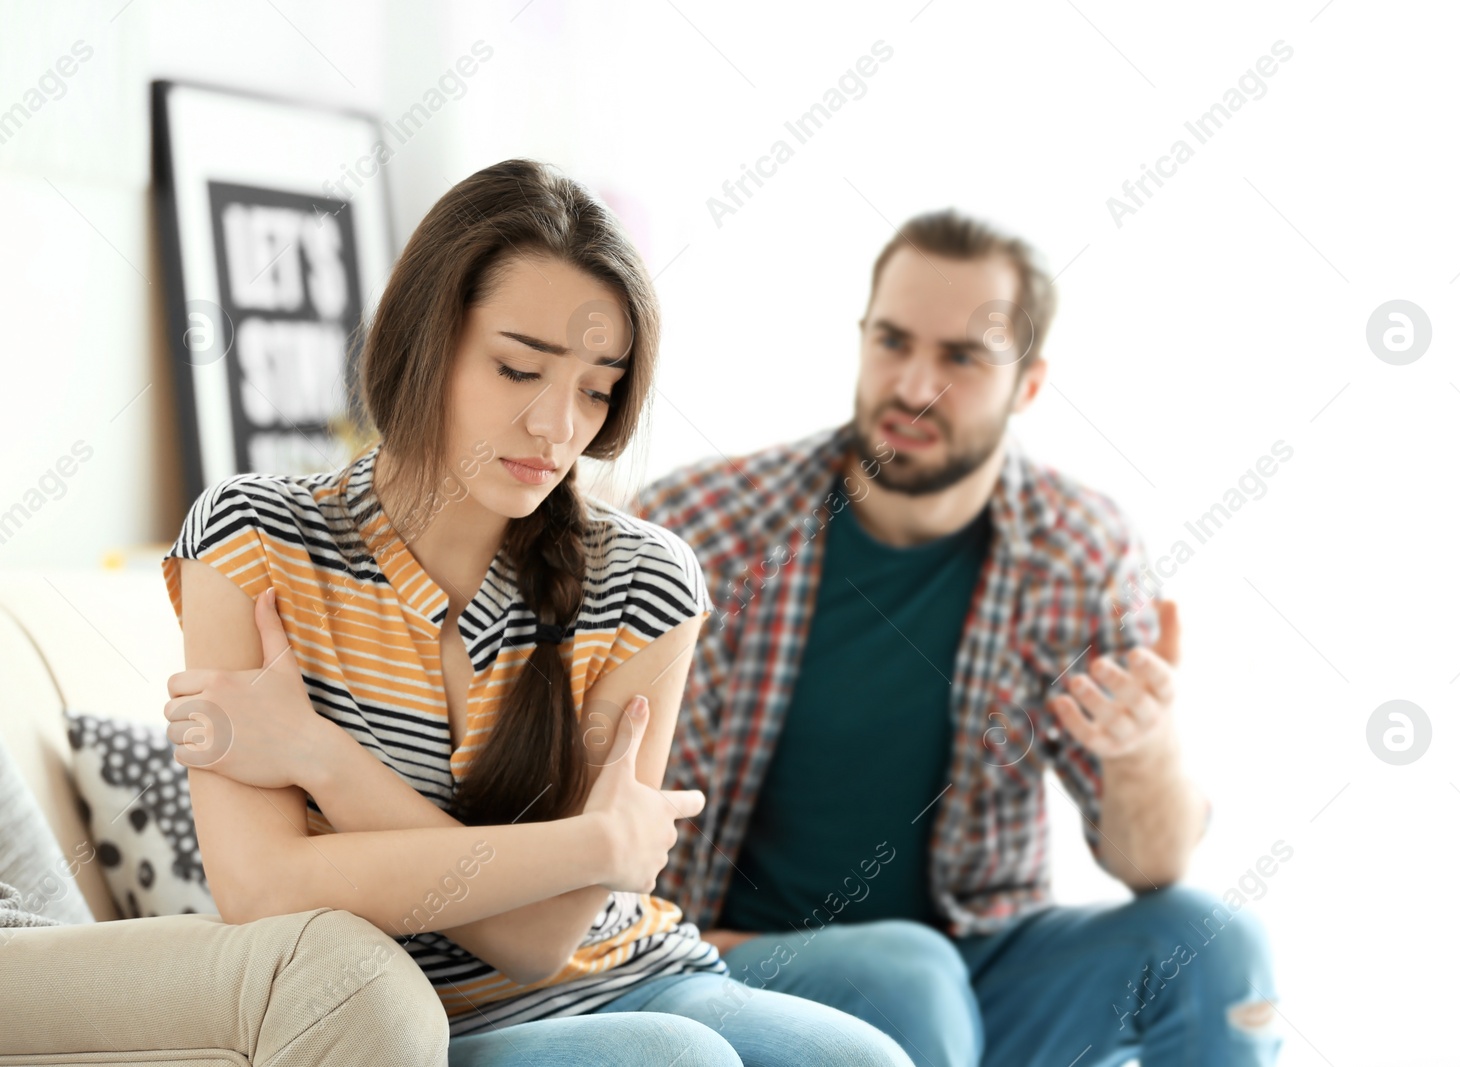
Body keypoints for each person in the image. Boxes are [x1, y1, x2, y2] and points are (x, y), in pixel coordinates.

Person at [160, 159, 910, 1067]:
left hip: (638, 974)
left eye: (597, 388)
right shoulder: (256, 534)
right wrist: (592, 844)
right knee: (675, 1060)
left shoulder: (647, 581)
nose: (559, 428)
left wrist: (324, 758)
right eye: (520, 370)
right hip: (397, 1015)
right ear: (426, 340)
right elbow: (261, 885)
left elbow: (543, 939)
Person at [633, 209, 1282, 1067]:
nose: (913, 385)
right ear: (862, 338)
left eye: (962, 359)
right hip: (728, 961)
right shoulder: (699, 527)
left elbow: (1151, 863)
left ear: (1030, 384)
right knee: (909, 972)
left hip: (977, 970)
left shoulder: (1079, 549)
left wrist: (1144, 747)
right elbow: (564, 786)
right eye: (893, 343)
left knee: (1216, 944)